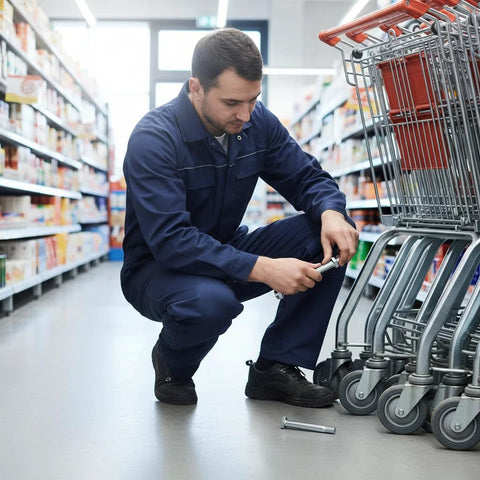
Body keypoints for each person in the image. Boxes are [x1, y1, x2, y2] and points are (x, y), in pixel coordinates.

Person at [120, 28, 358, 407]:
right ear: (195, 88)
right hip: (157, 268)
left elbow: (306, 177)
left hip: (226, 249)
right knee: (210, 303)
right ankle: (172, 364)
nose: (245, 115)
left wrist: (332, 211)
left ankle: (276, 367)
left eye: (253, 100)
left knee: (325, 234)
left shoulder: (255, 122)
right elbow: (171, 240)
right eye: (232, 102)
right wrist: (263, 268)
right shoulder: (154, 138)